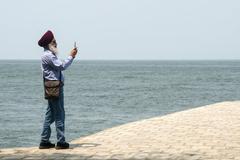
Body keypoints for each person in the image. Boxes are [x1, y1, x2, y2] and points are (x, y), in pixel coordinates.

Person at [38, 30, 78, 149]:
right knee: (60, 114)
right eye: (54, 41)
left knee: (50, 115)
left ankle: (44, 141)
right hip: (55, 87)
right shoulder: (48, 56)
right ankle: (61, 141)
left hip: (52, 87)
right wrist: (71, 56)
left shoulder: (49, 55)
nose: (56, 43)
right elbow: (61, 66)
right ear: (49, 43)